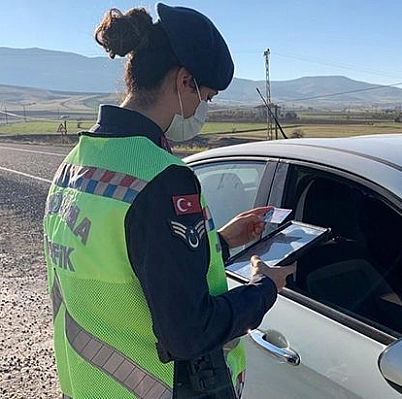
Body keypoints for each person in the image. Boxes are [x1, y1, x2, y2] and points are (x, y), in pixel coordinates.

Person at [43, 4, 294, 398]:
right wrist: (264, 288)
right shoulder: (161, 179)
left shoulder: (75, 166)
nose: (202, 110)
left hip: (90, 385)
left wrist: (221, 242)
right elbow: (189, 332)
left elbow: (129, 264)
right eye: (206, 96)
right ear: (184, 81)